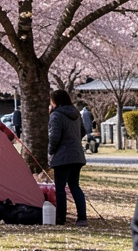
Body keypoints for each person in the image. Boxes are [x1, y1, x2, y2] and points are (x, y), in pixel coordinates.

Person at [48, 89, 87, 226]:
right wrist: (74, 140)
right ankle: (82, 218)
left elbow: (54, 137)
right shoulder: (76, 114)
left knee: (60, 188)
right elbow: (83, 131)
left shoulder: (56, 115)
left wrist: (51, 152)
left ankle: (61, 218)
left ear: (56, 101)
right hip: (77, 154)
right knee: (75, 186)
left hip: (63, 156)